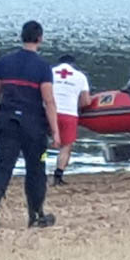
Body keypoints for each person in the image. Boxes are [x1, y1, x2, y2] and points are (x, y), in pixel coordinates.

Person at [0, 21, 60, 230]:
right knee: (36, 169)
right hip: (33, 125)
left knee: (2, 167)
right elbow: (48, 101)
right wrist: (56, 131)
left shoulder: (5, 62)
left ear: (21, 36)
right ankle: (35, 215)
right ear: (40, 38)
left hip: (7, 121)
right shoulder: (43, 66)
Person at [49, 54, 90, 186]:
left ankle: (38, 168)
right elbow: (85, 101)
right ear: (73, 64)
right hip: (69, 114)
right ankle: (58, 176)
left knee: (40, 145)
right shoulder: (80, 76)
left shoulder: (50, 72)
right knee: (65, 147)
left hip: (48, 112)